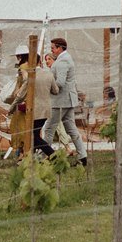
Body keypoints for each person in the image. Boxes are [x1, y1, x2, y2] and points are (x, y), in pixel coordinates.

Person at [45, 37, 88, 167]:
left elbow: (60, 83)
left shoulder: (63, 61)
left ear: (59, 48)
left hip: (60, 101)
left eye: (53, 48)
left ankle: (43, 156)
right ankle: (83, 156)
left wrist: (48, 88)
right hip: (67, 100)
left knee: (49, 129)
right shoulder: (65, 59)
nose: (51, 50)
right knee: (71, 128)